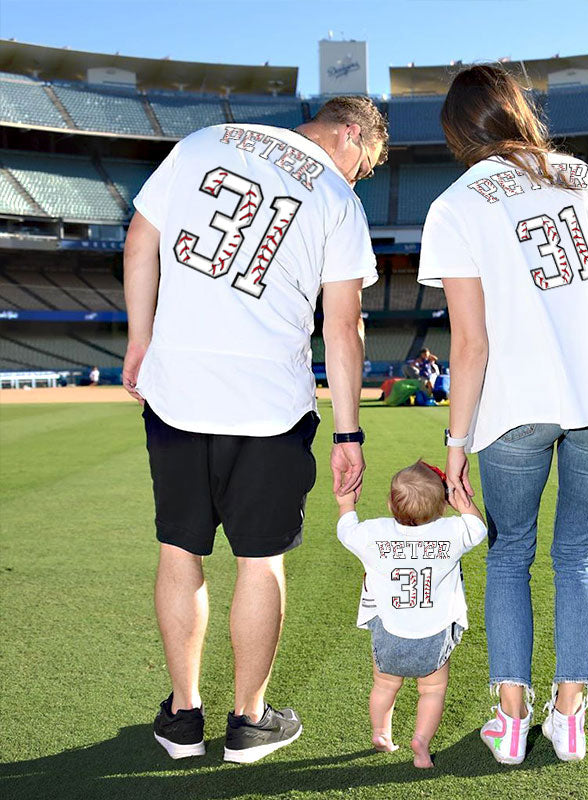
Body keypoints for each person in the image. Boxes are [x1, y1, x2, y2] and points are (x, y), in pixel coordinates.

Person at [122, 95, 388, 763]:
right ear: (350, 134)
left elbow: (140, 241)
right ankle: (249, 720)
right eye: (365, 165)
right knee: (260, 561)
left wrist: (140, 340)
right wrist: (348, 434)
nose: (359, 178)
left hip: (177, 391)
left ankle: (183, 718)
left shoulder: (204, 141)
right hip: (270, 404)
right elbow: (342, 326)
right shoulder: (336, 197)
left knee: (179, 550)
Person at [418, 65, 588, 763]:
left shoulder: (456, 204)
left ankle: (512, 722)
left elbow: (470, 343)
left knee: (509, 553)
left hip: (514, 406)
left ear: (458, 131)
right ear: (518, 109)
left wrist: (456, 443)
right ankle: (569, 716)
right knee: (579, 553)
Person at [336, 461, 487, 768]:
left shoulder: (374, 533)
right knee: (432, 690)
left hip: (390, 631)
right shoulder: (450, 531)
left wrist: (346, 503)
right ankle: (421, 742)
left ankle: (381, 733)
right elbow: (478, 529)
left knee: (384, 685)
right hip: (435, 634)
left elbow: (346, 531)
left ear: (390, 504)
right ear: (442, 505)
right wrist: (462, 502)